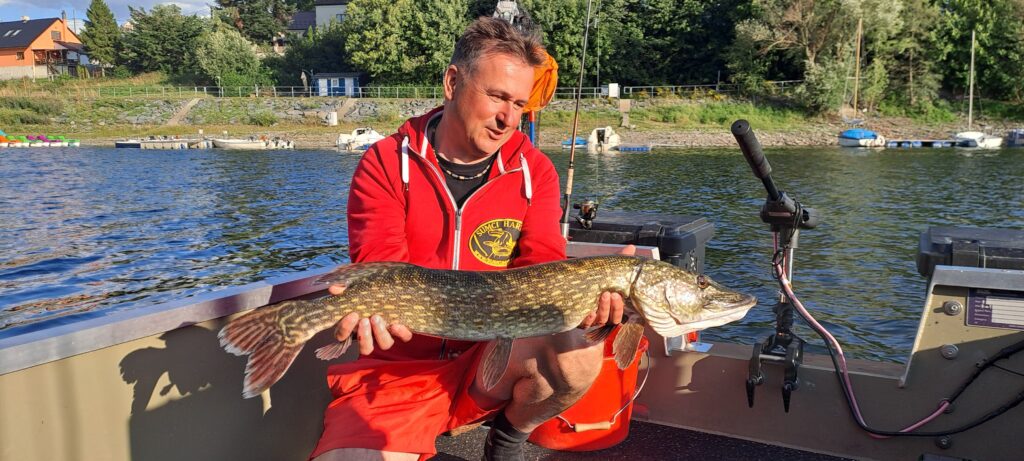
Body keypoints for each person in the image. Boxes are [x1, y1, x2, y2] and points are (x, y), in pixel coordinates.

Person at [309, 17, 629, 461]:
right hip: (400, 371)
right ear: (452, 82)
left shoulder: (535, 172)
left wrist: (593, 311)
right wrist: (371, 308)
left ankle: (507, 438)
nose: (508, 119)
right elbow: (382, 265)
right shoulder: (385, 163)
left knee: (579, 355)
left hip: (490, 360)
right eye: (497, 96)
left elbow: (541, 270)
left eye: (519, 104)